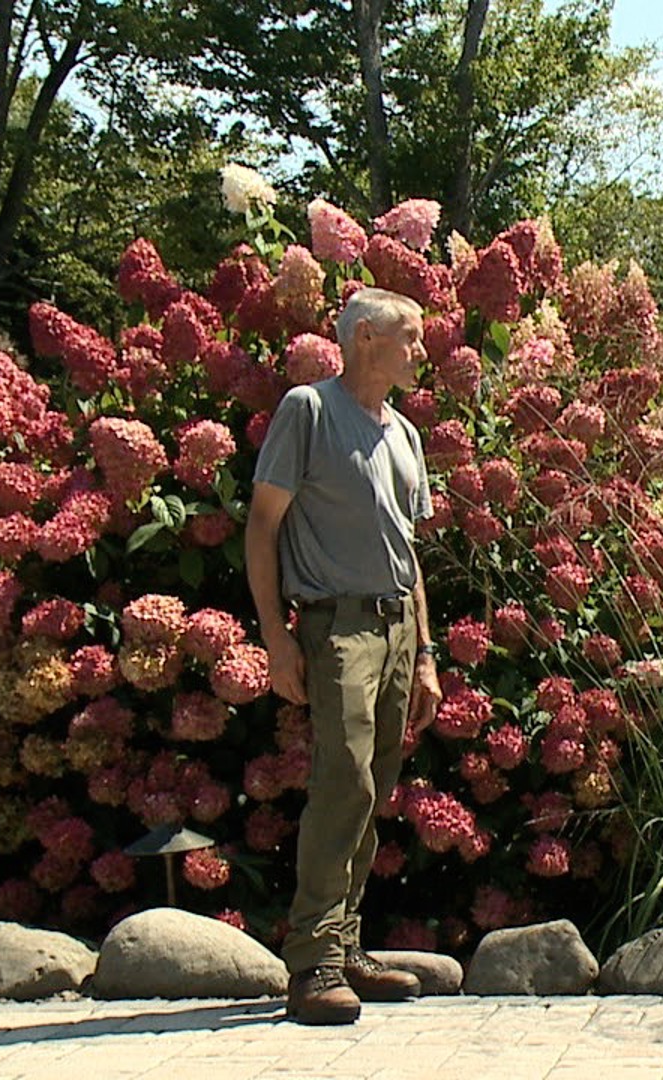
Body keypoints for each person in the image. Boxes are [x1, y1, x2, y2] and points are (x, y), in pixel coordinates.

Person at [247, 287, 441, 1025]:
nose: (420, 351)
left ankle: (347, 945)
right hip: (337, 630)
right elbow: (263, 528)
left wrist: (425, 651)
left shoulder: (405, 434)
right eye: (410, 339)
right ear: (364, 338)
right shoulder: (309, 410)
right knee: (343, 781)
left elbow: (408, 551)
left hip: (396, 630)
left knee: (374, 782)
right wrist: (275, 636)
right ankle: (314, 965)